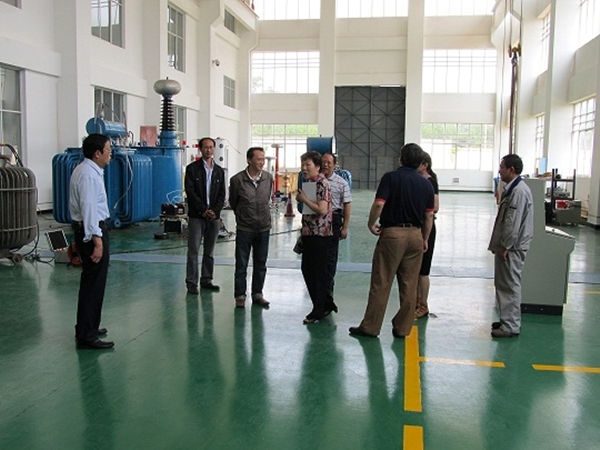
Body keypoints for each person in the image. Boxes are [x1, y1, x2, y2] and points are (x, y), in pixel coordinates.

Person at [349, 143, 434, 339]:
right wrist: (424, 238)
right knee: (409, 284)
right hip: (415, 235)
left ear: (401, 159)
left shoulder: (390, 178)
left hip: (393, 235)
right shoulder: (426, 184)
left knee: (382, 281)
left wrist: (371, 223)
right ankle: (403, 328)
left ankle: (371, 327)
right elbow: (429, 216)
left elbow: (379, 204)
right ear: (419, 162)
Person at [70, 133, 114, 349]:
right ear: (97, 153)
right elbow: (89, 209)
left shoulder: (88, 170)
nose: (110, 154)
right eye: (108, 150)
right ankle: (87, 335)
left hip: (88, 230)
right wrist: (96, 240)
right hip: (93, 231)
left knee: (93, 283)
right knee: (93, 284)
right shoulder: (88, 175)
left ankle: (88, 327)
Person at [488, 154, 533, 338]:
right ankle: (507, 319)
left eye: (502, 167)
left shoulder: (518, 192)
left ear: (511, 169)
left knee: (509, 285)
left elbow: (512, 223)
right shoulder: (513, 189)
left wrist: (505, 246)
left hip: (512, 248)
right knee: (504, 283)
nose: (499, 171)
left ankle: (510, 326)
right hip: (510, 246)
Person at [229, 147, 273, 309]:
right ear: (249, 160)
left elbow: (266, 198)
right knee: (241, 263)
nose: (262, 162)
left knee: (261, 263)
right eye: (258, 159)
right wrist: (243, 216)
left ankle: (257, 294)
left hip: (263, 227)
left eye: (263, 159)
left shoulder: (268, 178)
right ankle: (240, 295)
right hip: (245, 228)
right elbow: (234, 202)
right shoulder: (237, 180)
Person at [296, 151, 334, 324]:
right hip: (309, 233)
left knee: (316, 272)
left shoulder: (321, 183)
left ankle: (319, 309)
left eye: (308, 165)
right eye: (302, 165)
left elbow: (322, 209)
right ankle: (325, 303)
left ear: (317, 167)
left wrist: (304, 199)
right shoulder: (309, 183)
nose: (304, 168)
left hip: (320, 235)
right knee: (309, 269)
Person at [185, 137, 226, 294]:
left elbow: (222, 194)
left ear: (214, 149)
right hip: (197, 216)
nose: (209, 150)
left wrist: (215, 211)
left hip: (213, 217)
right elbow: (190, 192)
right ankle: (192, 283)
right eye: (206, 147)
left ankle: (206, 280)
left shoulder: (219, 171)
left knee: (209, 251)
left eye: (211, 147)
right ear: (200, 149)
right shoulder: (192, 169)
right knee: (194, 250)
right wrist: (203, 210)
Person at [320, 152, 352, 310]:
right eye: (323, 162)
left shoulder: (341, 183)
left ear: (334, 164)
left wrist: (345, 227)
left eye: (329, 162)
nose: (326, 165)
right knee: (318, 260)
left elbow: (347, 205)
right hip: (317, 221)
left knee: (330, 260)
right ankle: (319, 297)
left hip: (334, 220)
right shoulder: (314, 181)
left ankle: (328, 297)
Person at [415, 152, 439, 319]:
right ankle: (417, 302)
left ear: (425, 165)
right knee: (415, 269)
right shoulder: (418, 180)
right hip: (417, 226)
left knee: (423, 270)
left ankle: (423, 305)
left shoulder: (429, 182)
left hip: (426, 228)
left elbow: (435, 207)